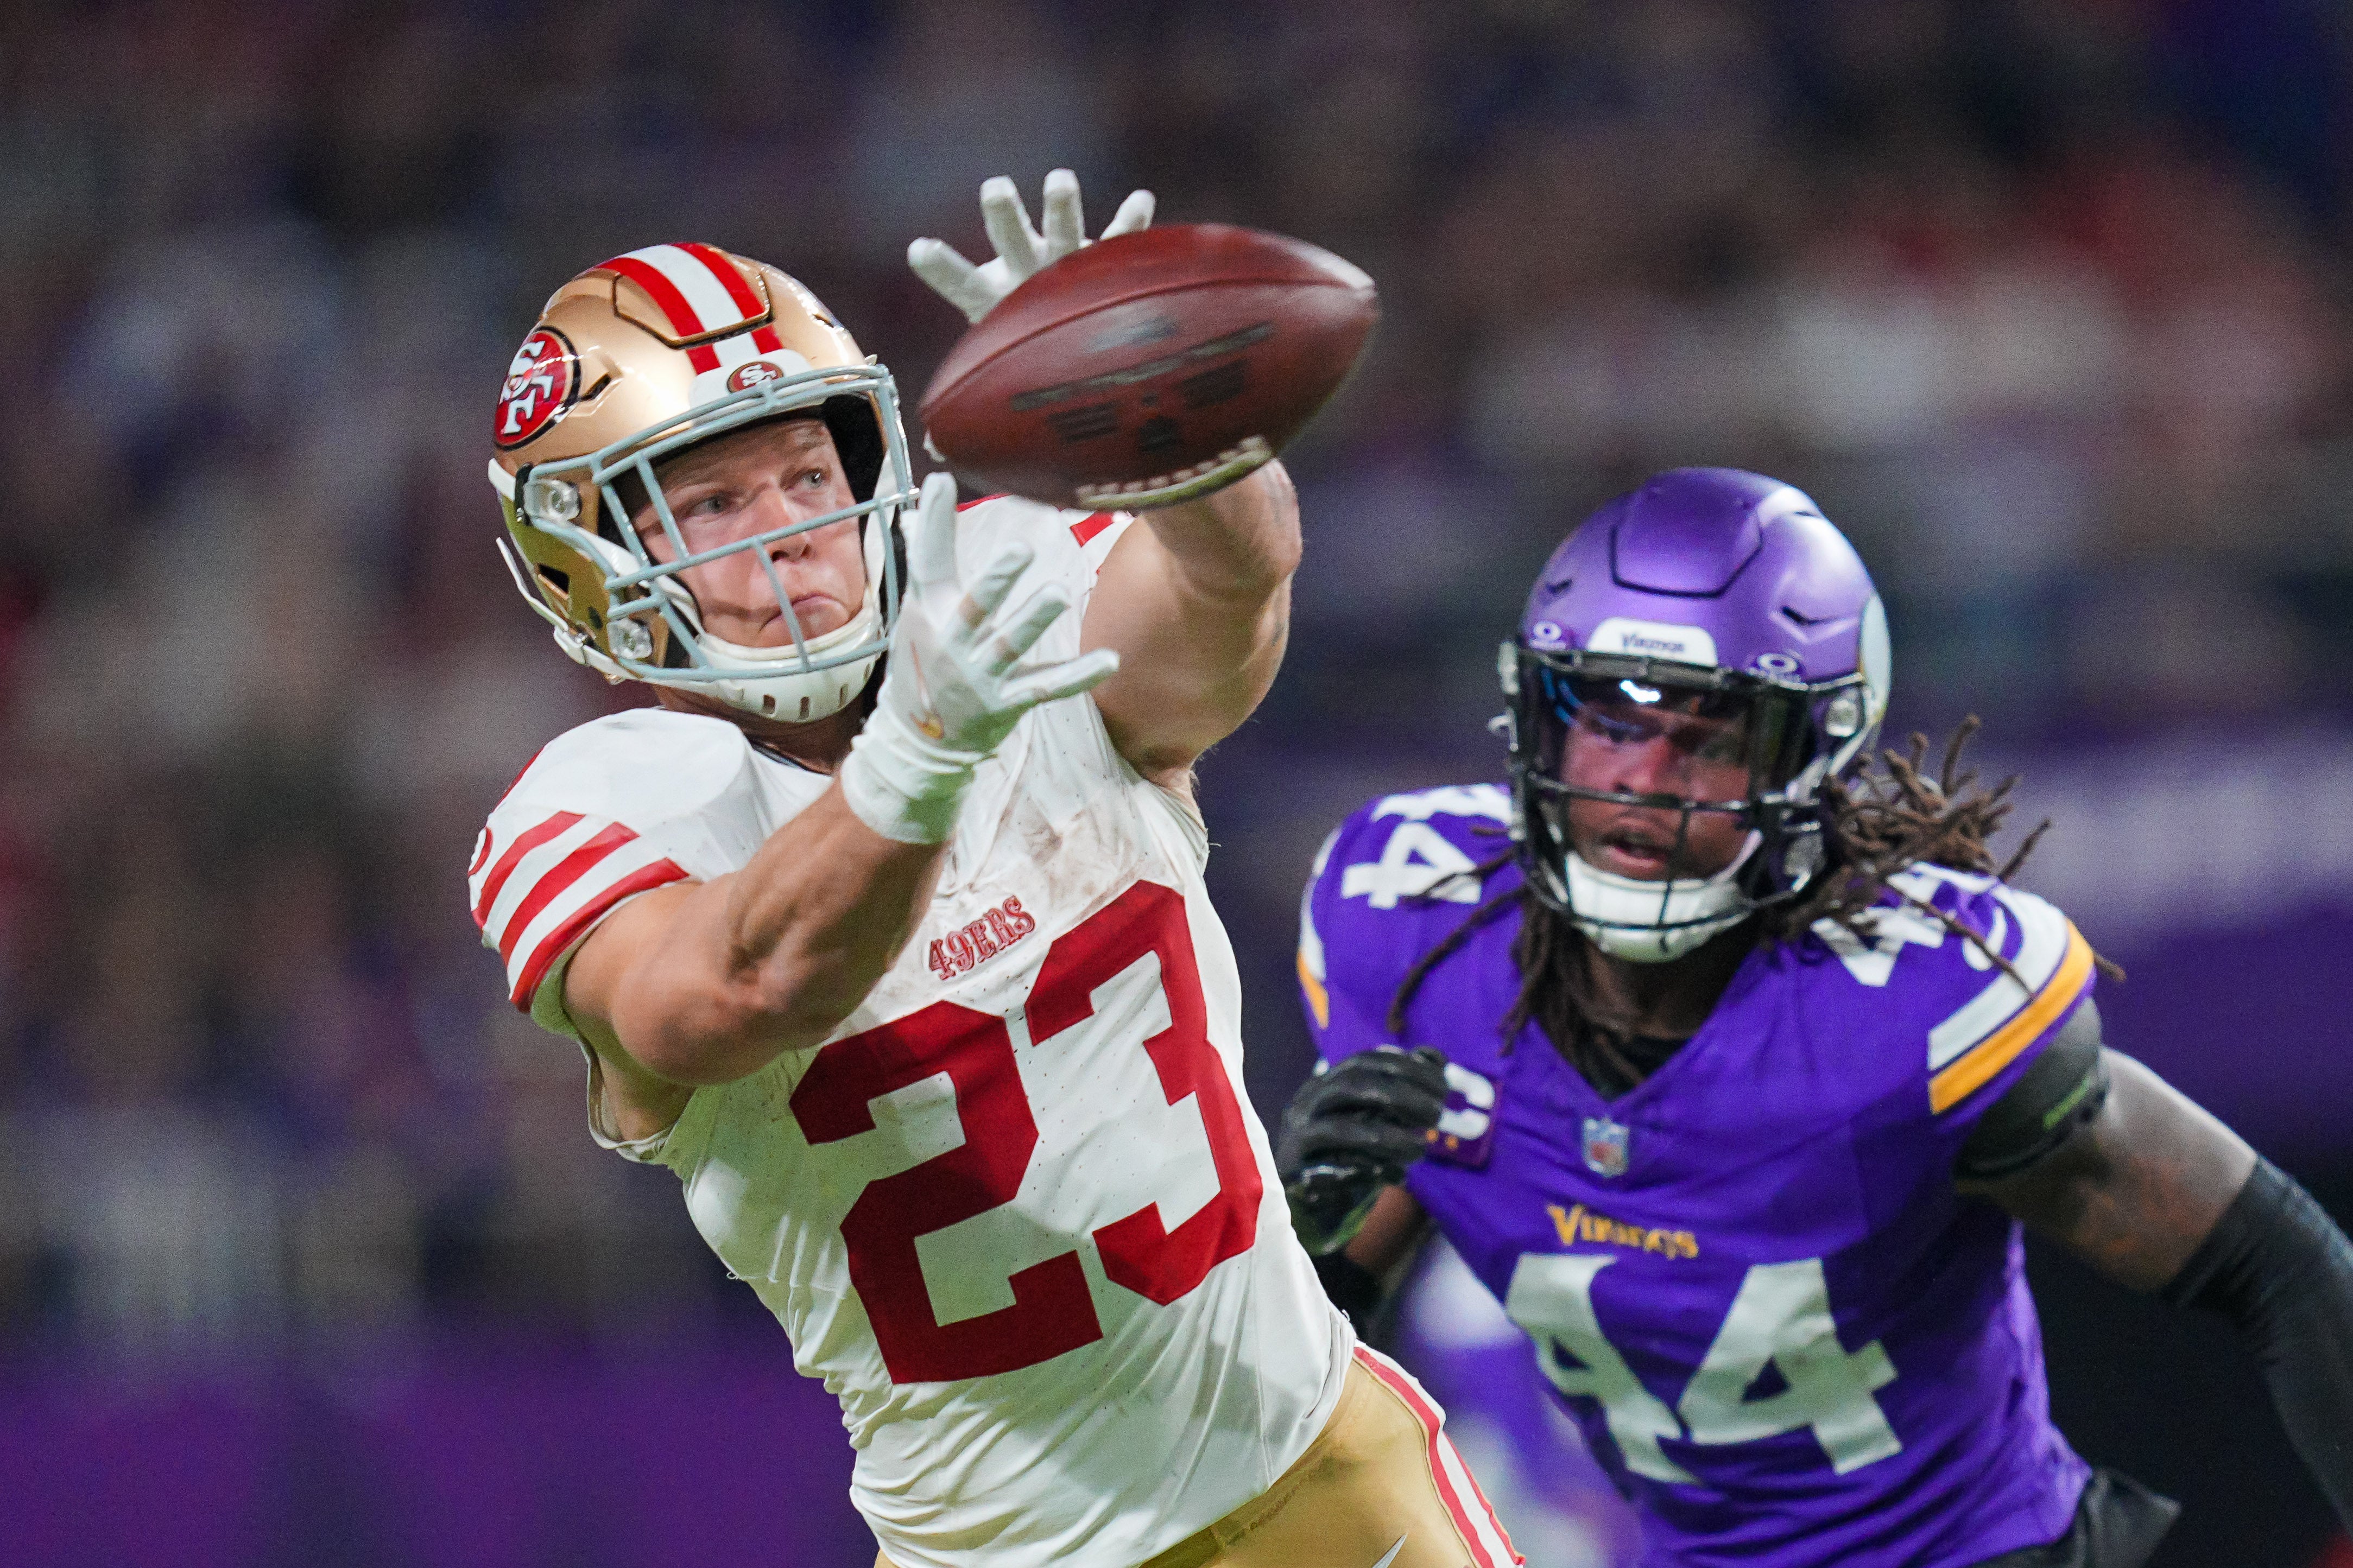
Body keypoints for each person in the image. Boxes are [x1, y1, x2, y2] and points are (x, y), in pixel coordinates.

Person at [469, 174, 1519, 1568]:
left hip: (1321, 1464)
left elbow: (1230, 606)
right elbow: (729, 991)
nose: (786, 532)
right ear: (590, 562)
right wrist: (916, 754)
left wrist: (1177, 437)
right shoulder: (600, 808)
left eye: (804, 473)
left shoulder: (1007, 584)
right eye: (712, 503)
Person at [1282, 467, 2353, 1567]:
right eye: (1608, 715)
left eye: (1708, 735)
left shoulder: (1909, 1009)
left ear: (1811, 756)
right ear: (1537, 719)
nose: (1645, 777)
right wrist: (1290, 1244)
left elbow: (2277, 1264)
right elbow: (1292, 1362)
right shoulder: (1412, 934)